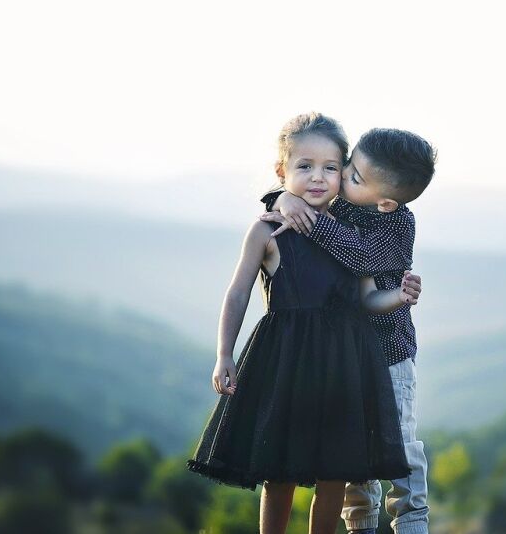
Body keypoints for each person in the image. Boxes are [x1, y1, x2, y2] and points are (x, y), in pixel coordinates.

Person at [187, 112, 422, 534]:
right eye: (305, 166)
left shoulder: (348, 230)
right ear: (282, 171)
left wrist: (398, 298)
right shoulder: (267, 231)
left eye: (331, 168)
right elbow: (238, 292)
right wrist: (224, 353)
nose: (318, 177)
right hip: (286, 366)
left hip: (343, 369)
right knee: (279, 472)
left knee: (335, 474)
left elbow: (367, 297)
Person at [260, 127, 437, 534]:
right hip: (344, 355)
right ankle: (361, 527)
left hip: (389, 354)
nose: (340, 176)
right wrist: (283, 199)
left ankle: (412, 523)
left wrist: (306, 219)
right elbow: (302, 188)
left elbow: (360, 257)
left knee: (398, 445)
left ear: (385, 201)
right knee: (353, 452)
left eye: (352, 175)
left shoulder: (398, 226)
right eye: (348, 165)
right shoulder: (345, 201)